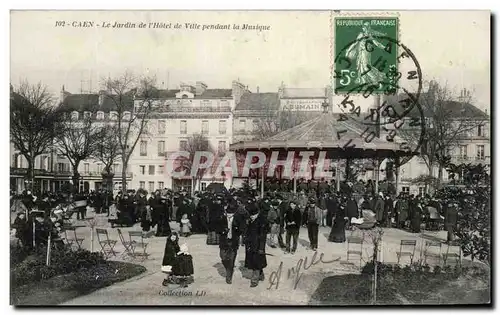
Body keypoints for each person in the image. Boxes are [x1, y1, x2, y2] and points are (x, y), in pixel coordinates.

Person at [219, 200, 246, 284]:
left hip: (233, 241)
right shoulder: (222, 218)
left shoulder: (238, 218)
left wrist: (237, 230)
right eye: (228, 214)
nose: (229, 216)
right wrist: (223, 231)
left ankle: (229, 276)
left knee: (231, 259)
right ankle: (228, 268)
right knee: (223, 257)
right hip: (224, 241)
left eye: (231, 215)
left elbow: (243, 228)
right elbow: (216, 227)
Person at [244, 204, 268, 288]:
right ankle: (260, 275)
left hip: (258, 245)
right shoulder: (250, 220)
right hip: (251, 244)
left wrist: (261, 248)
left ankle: (254, 280)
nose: (251, 217)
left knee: (256, 262)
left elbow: (263, 237)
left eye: (253, 215)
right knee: (255, 261)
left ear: (257, 214)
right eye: (250, 215)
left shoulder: (262, 221)